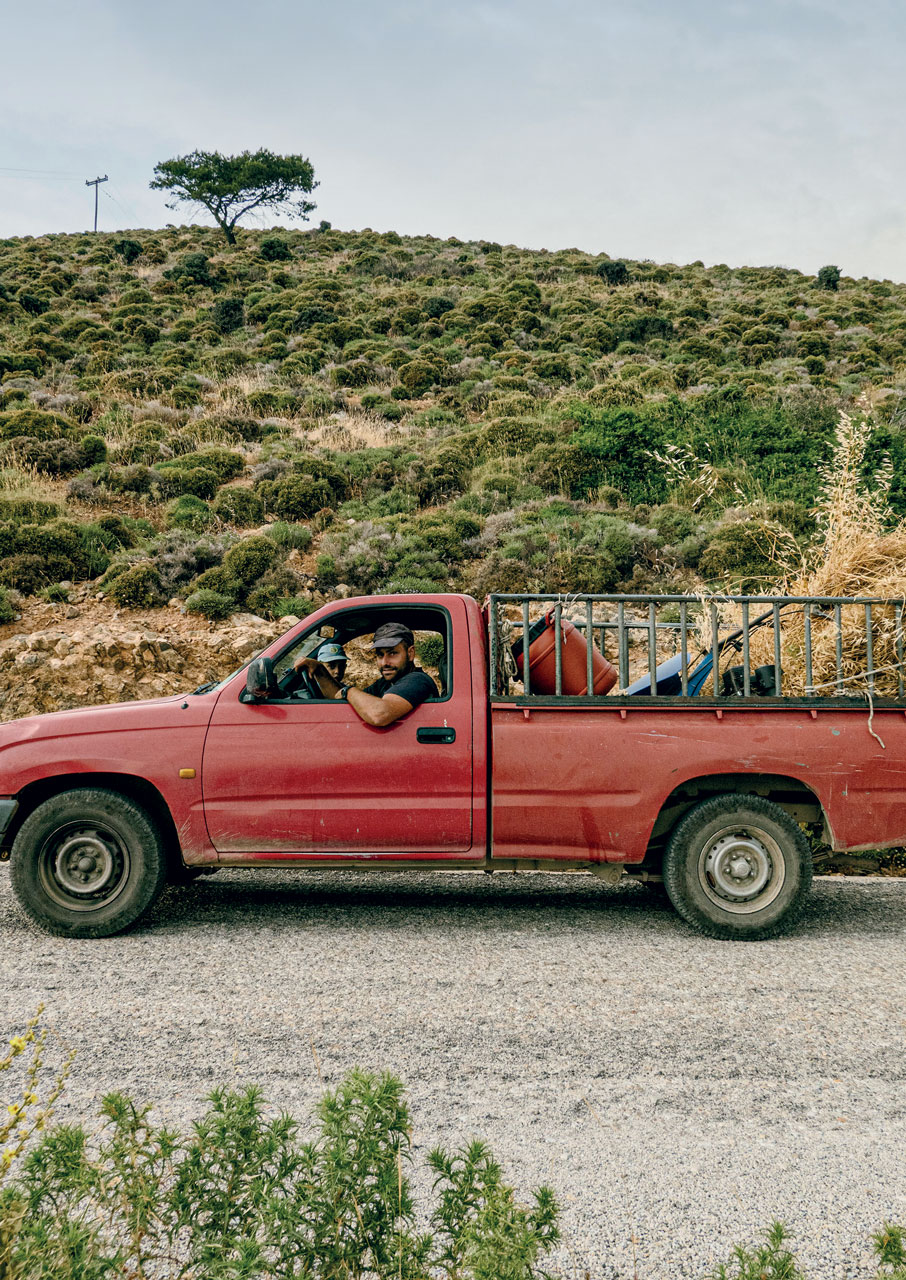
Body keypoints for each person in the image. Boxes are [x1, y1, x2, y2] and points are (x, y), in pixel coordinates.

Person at [295, 621, 437, 727]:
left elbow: (380, 714)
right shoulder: (385, 683)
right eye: (380, 655)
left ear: (410, 653)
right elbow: (340, 697)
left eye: (393, 653)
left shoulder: (417, 680)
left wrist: (348, 691)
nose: (384, 662)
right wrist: (320, 670)